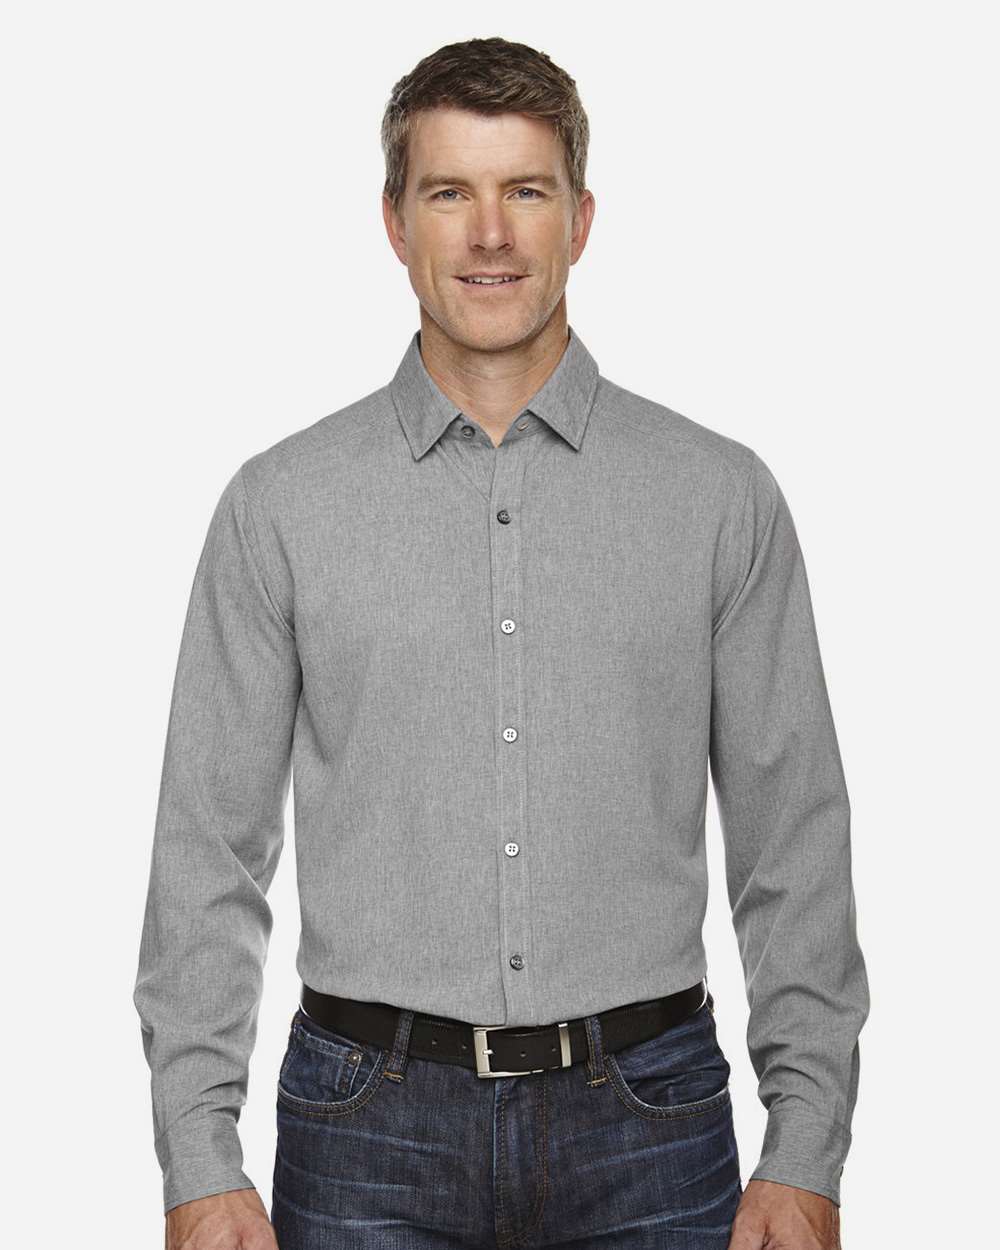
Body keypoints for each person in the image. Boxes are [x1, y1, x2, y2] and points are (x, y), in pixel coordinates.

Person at [133, 35, 869, 1250]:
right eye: (448, 192)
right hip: (366, 1131)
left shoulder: (717, 497)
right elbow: (206, 849)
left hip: (651, 1121)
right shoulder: (281, 505)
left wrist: (807, 1142)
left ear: (580, 219)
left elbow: (793, 836)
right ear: (393, 221)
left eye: (524, 190)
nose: (488, 233)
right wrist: (198, 1157)